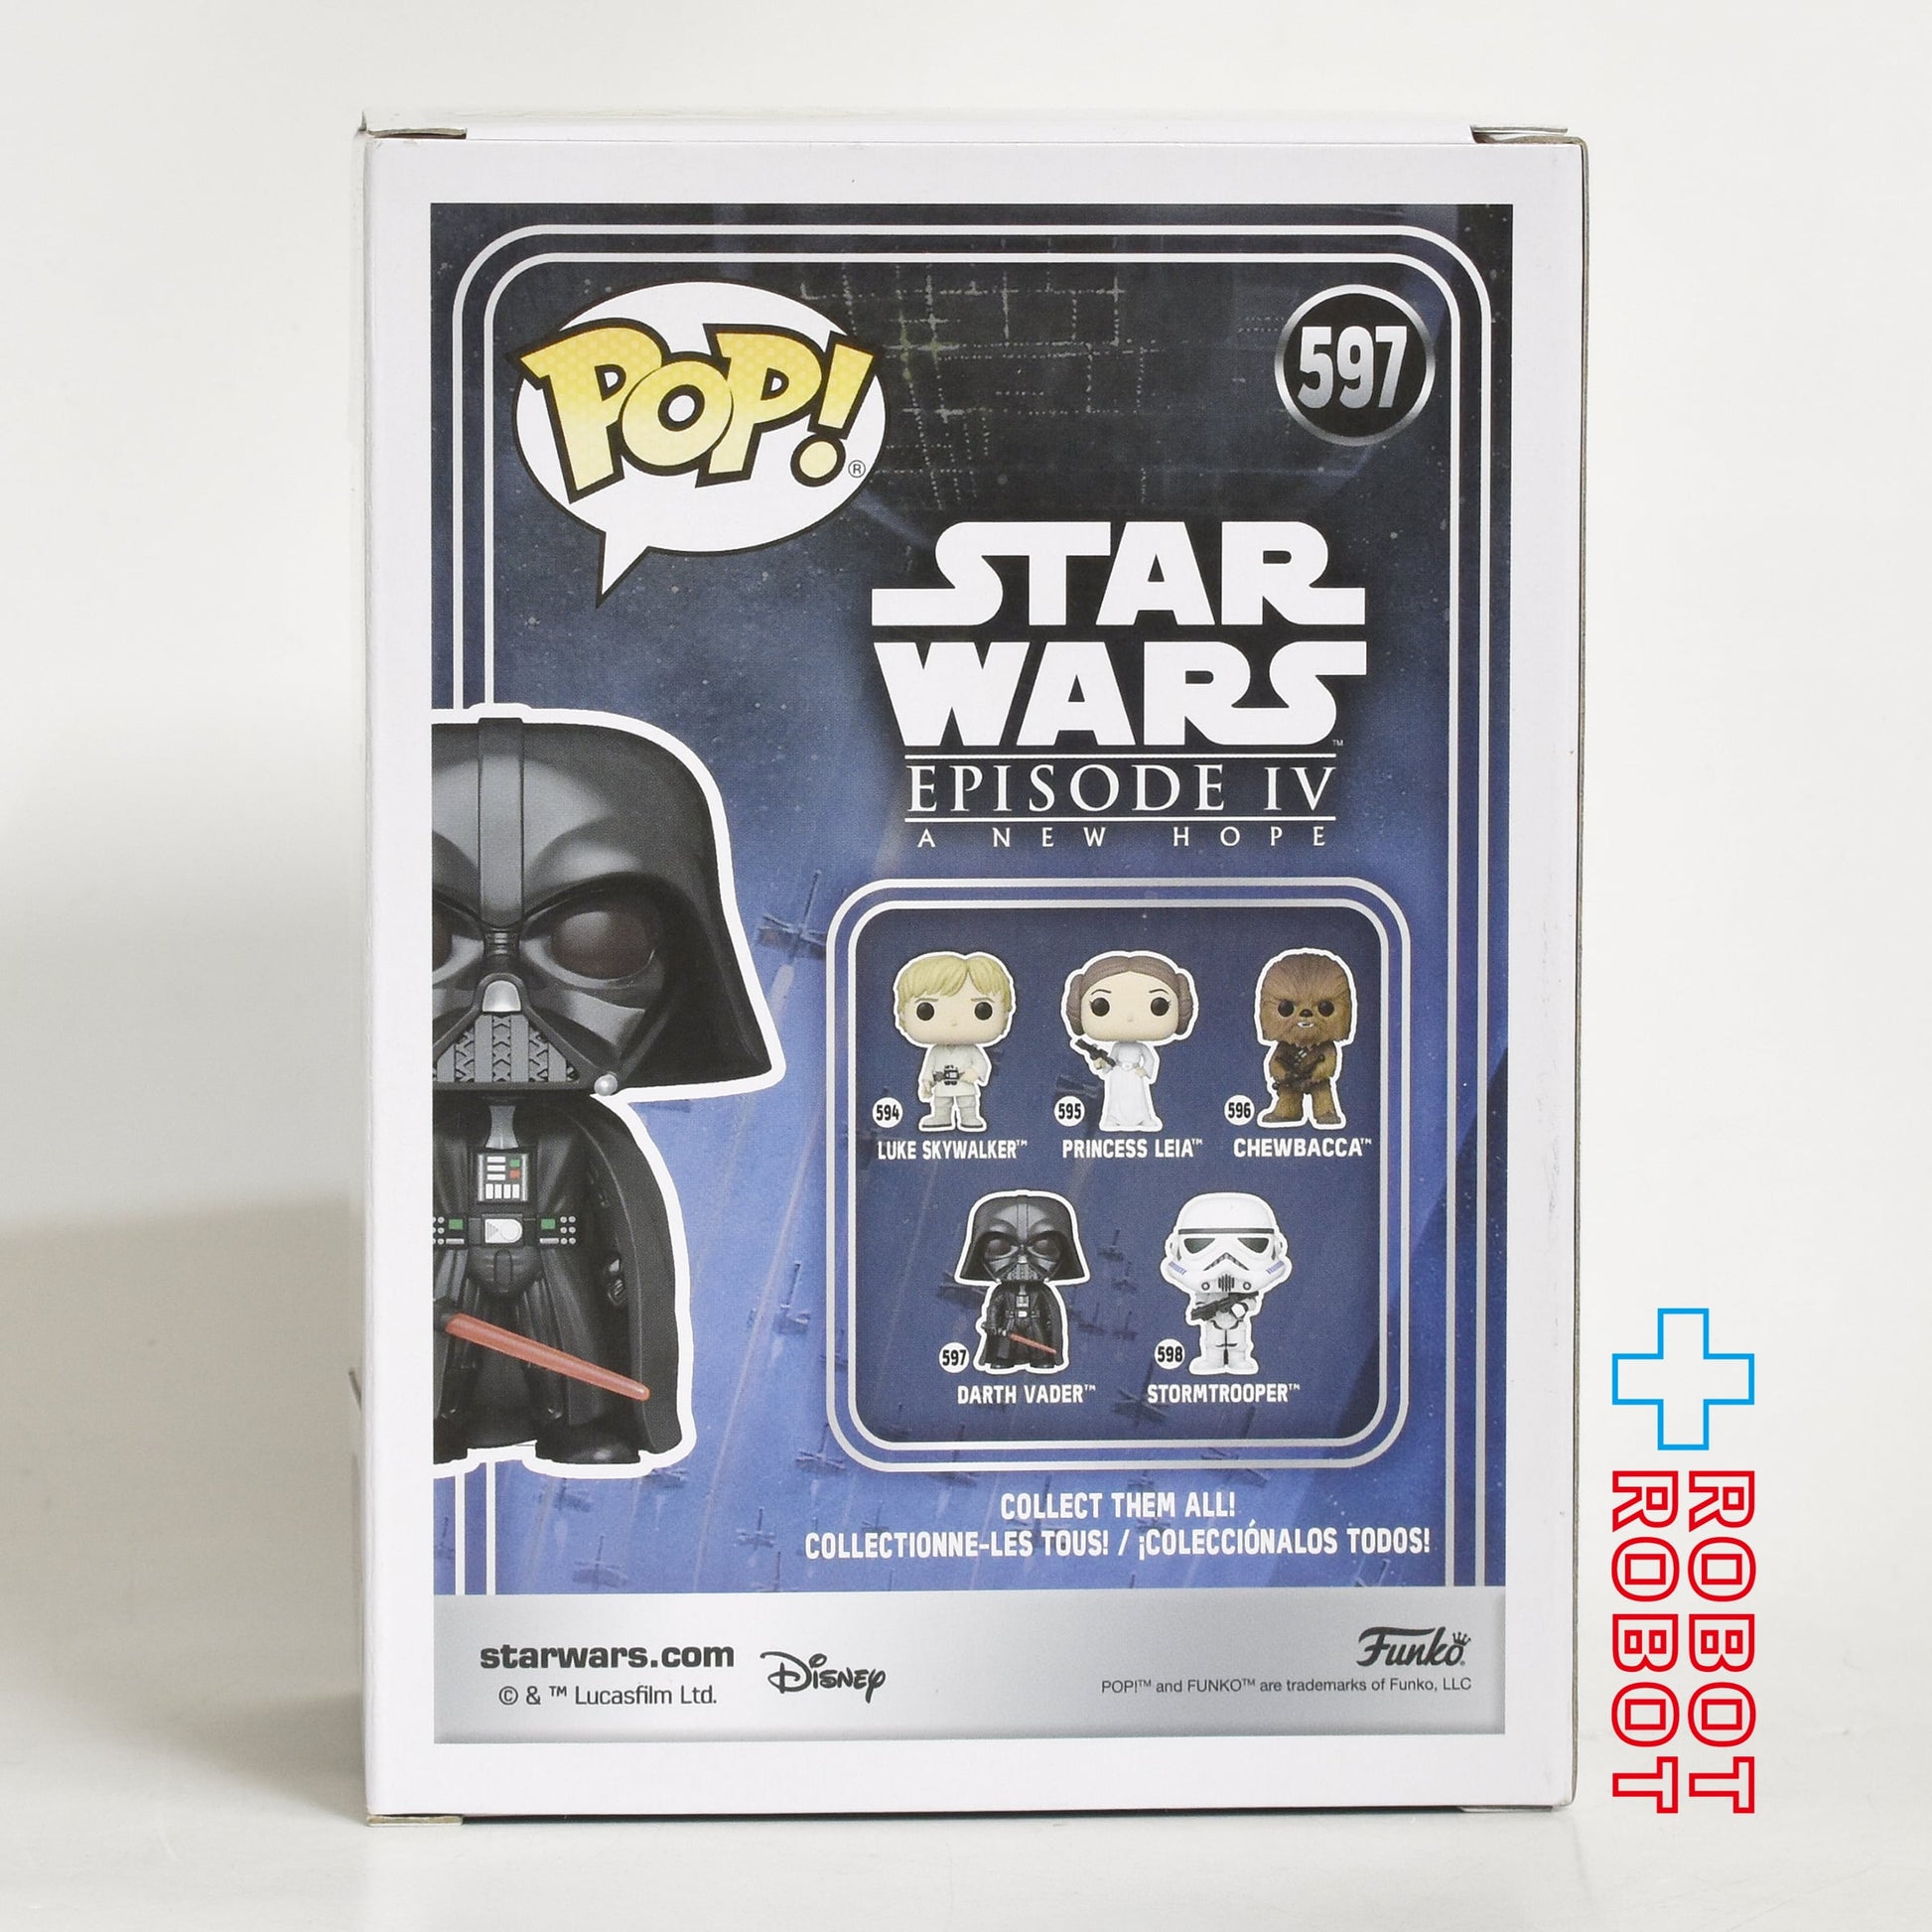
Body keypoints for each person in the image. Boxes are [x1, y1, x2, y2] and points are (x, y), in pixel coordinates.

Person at [1061, 950, 1197, 1133]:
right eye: (1101, 1006)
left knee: (1138, 1099)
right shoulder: (1117, 1047)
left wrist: (1144, 1071)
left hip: (1134, 1074)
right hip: (1119, 1075)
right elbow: (1108, 1063)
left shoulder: (1140, 1048)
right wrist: (1100, 1063)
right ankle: (1113, 1118)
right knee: (1116, 1098)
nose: (1130, 1017)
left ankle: (1143, 1118)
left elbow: (1150, 1059)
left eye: (1159, 1005)